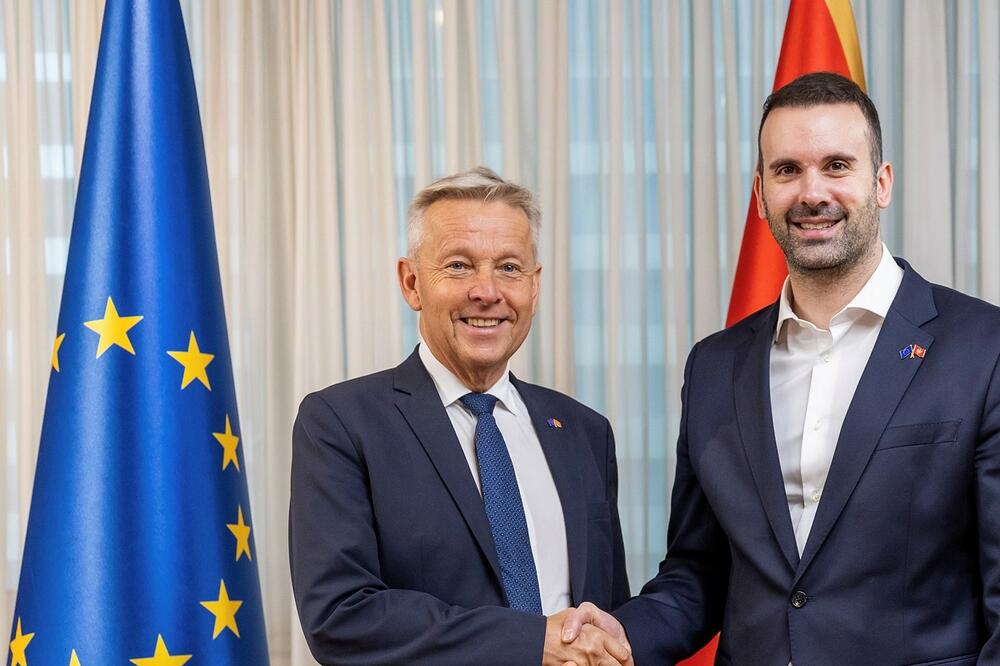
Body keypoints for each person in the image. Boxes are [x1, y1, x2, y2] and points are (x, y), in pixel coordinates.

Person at [563, 72, 1000, 664]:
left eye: (837, 166)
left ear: (881, 183)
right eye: (787, 170)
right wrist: (619, 636)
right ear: (760, 193)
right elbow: (699, 573)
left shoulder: (983, 348)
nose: (811, 193)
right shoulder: (714, 367)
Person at [290, 167, 632, 665]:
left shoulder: (584, 431)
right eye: (458, 266)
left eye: (509, 268)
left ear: (534, 288)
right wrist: (530, 642)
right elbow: (341, 617)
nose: (487, 291)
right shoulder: (340, 423)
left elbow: (608, 612)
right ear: (411, 283)